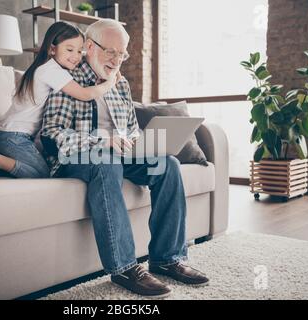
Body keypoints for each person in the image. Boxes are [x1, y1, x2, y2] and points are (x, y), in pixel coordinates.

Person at [40, 19, 209, 298]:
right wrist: (102, 141)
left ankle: (166, 258)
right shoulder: (67, 78)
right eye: (111, 52)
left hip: (120, 154)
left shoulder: (121, 84)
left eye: (122, 53)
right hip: (81, 155)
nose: (118, 60)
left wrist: (142, 143)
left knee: (168, 165)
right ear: (90, 48)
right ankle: (125, 267)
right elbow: (53, 134)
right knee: (106, 163)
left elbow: (130, 128)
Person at [0, 21, 117, 178]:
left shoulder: (46, 67)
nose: (76, 57)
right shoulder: (51, 70)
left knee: (42, 169)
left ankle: (8, 165)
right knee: (42, 174)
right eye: (70, 49)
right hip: (12, 136)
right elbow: (84, 94)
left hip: (12, 134)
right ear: (52, 49)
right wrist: (110, 82)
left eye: (80, 51)